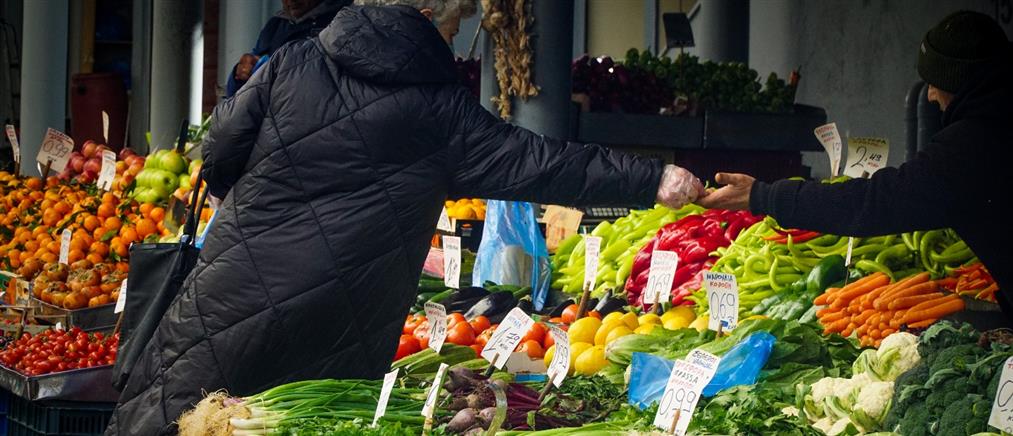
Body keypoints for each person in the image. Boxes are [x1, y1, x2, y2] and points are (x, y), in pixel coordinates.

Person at [106, 1, 704, 433]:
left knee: (173, 412)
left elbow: (216, 151)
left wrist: (265, 199)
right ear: (435, 32)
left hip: (232, 287)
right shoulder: (444, 113)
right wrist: (655, 178)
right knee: (296, 421)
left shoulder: (293, 63)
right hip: (338, 321)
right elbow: (547, 163)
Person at [697, 11, 1013, 316]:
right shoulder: (992, 129)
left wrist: (762, 195)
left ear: (960, 82)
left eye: (935, 82)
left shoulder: (974, 144)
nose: (929, 95)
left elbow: (873, 203)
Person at [225, 0, 352, 98]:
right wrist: (241, 73)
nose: (291, 0)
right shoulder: (276, 25)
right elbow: (238, 93)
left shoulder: (343, 22)